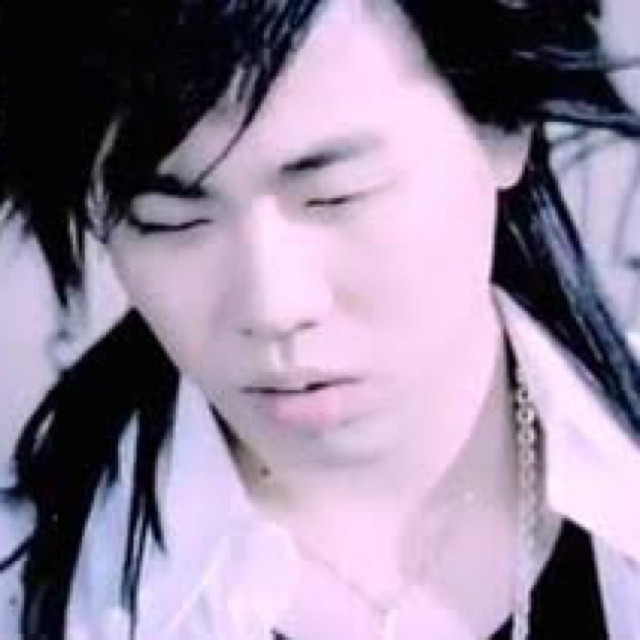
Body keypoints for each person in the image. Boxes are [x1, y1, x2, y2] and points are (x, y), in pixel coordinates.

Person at [1, 0, 640, 638]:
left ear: (503, 127)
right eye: (172, 222)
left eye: (337, 195)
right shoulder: (30, 587)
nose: (274, 307)